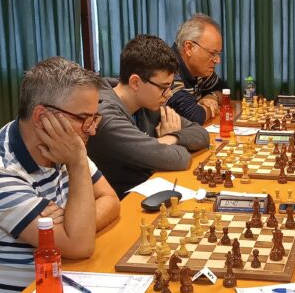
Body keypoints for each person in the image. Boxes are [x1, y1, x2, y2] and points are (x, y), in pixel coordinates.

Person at [0, 57, 121, 293]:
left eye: (94, 118)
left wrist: (75, 224)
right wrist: (77, 164)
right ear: (42, 117)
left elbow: (110, 198)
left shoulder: (59, 145)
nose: (92, 130)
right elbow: (80, 245)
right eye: (83, 118)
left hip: (62, 288)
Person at [87, 35, 210, 198]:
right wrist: (166, 146)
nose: (169, 94)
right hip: (123, 203)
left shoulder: (146, 102)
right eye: (163, 87)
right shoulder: (106, 118)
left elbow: (201, 134)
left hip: (148, 191)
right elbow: (180, 158)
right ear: (135, 82)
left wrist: (171, 137)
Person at [166, 13, 228, 124]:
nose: (217, 60)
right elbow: (194, 116)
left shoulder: (199, 69)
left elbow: (225, 90)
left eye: (218, 54)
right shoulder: (168, 67)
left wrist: (212, 97)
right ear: (189, 48)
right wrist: (209, 108)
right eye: (212, 53)